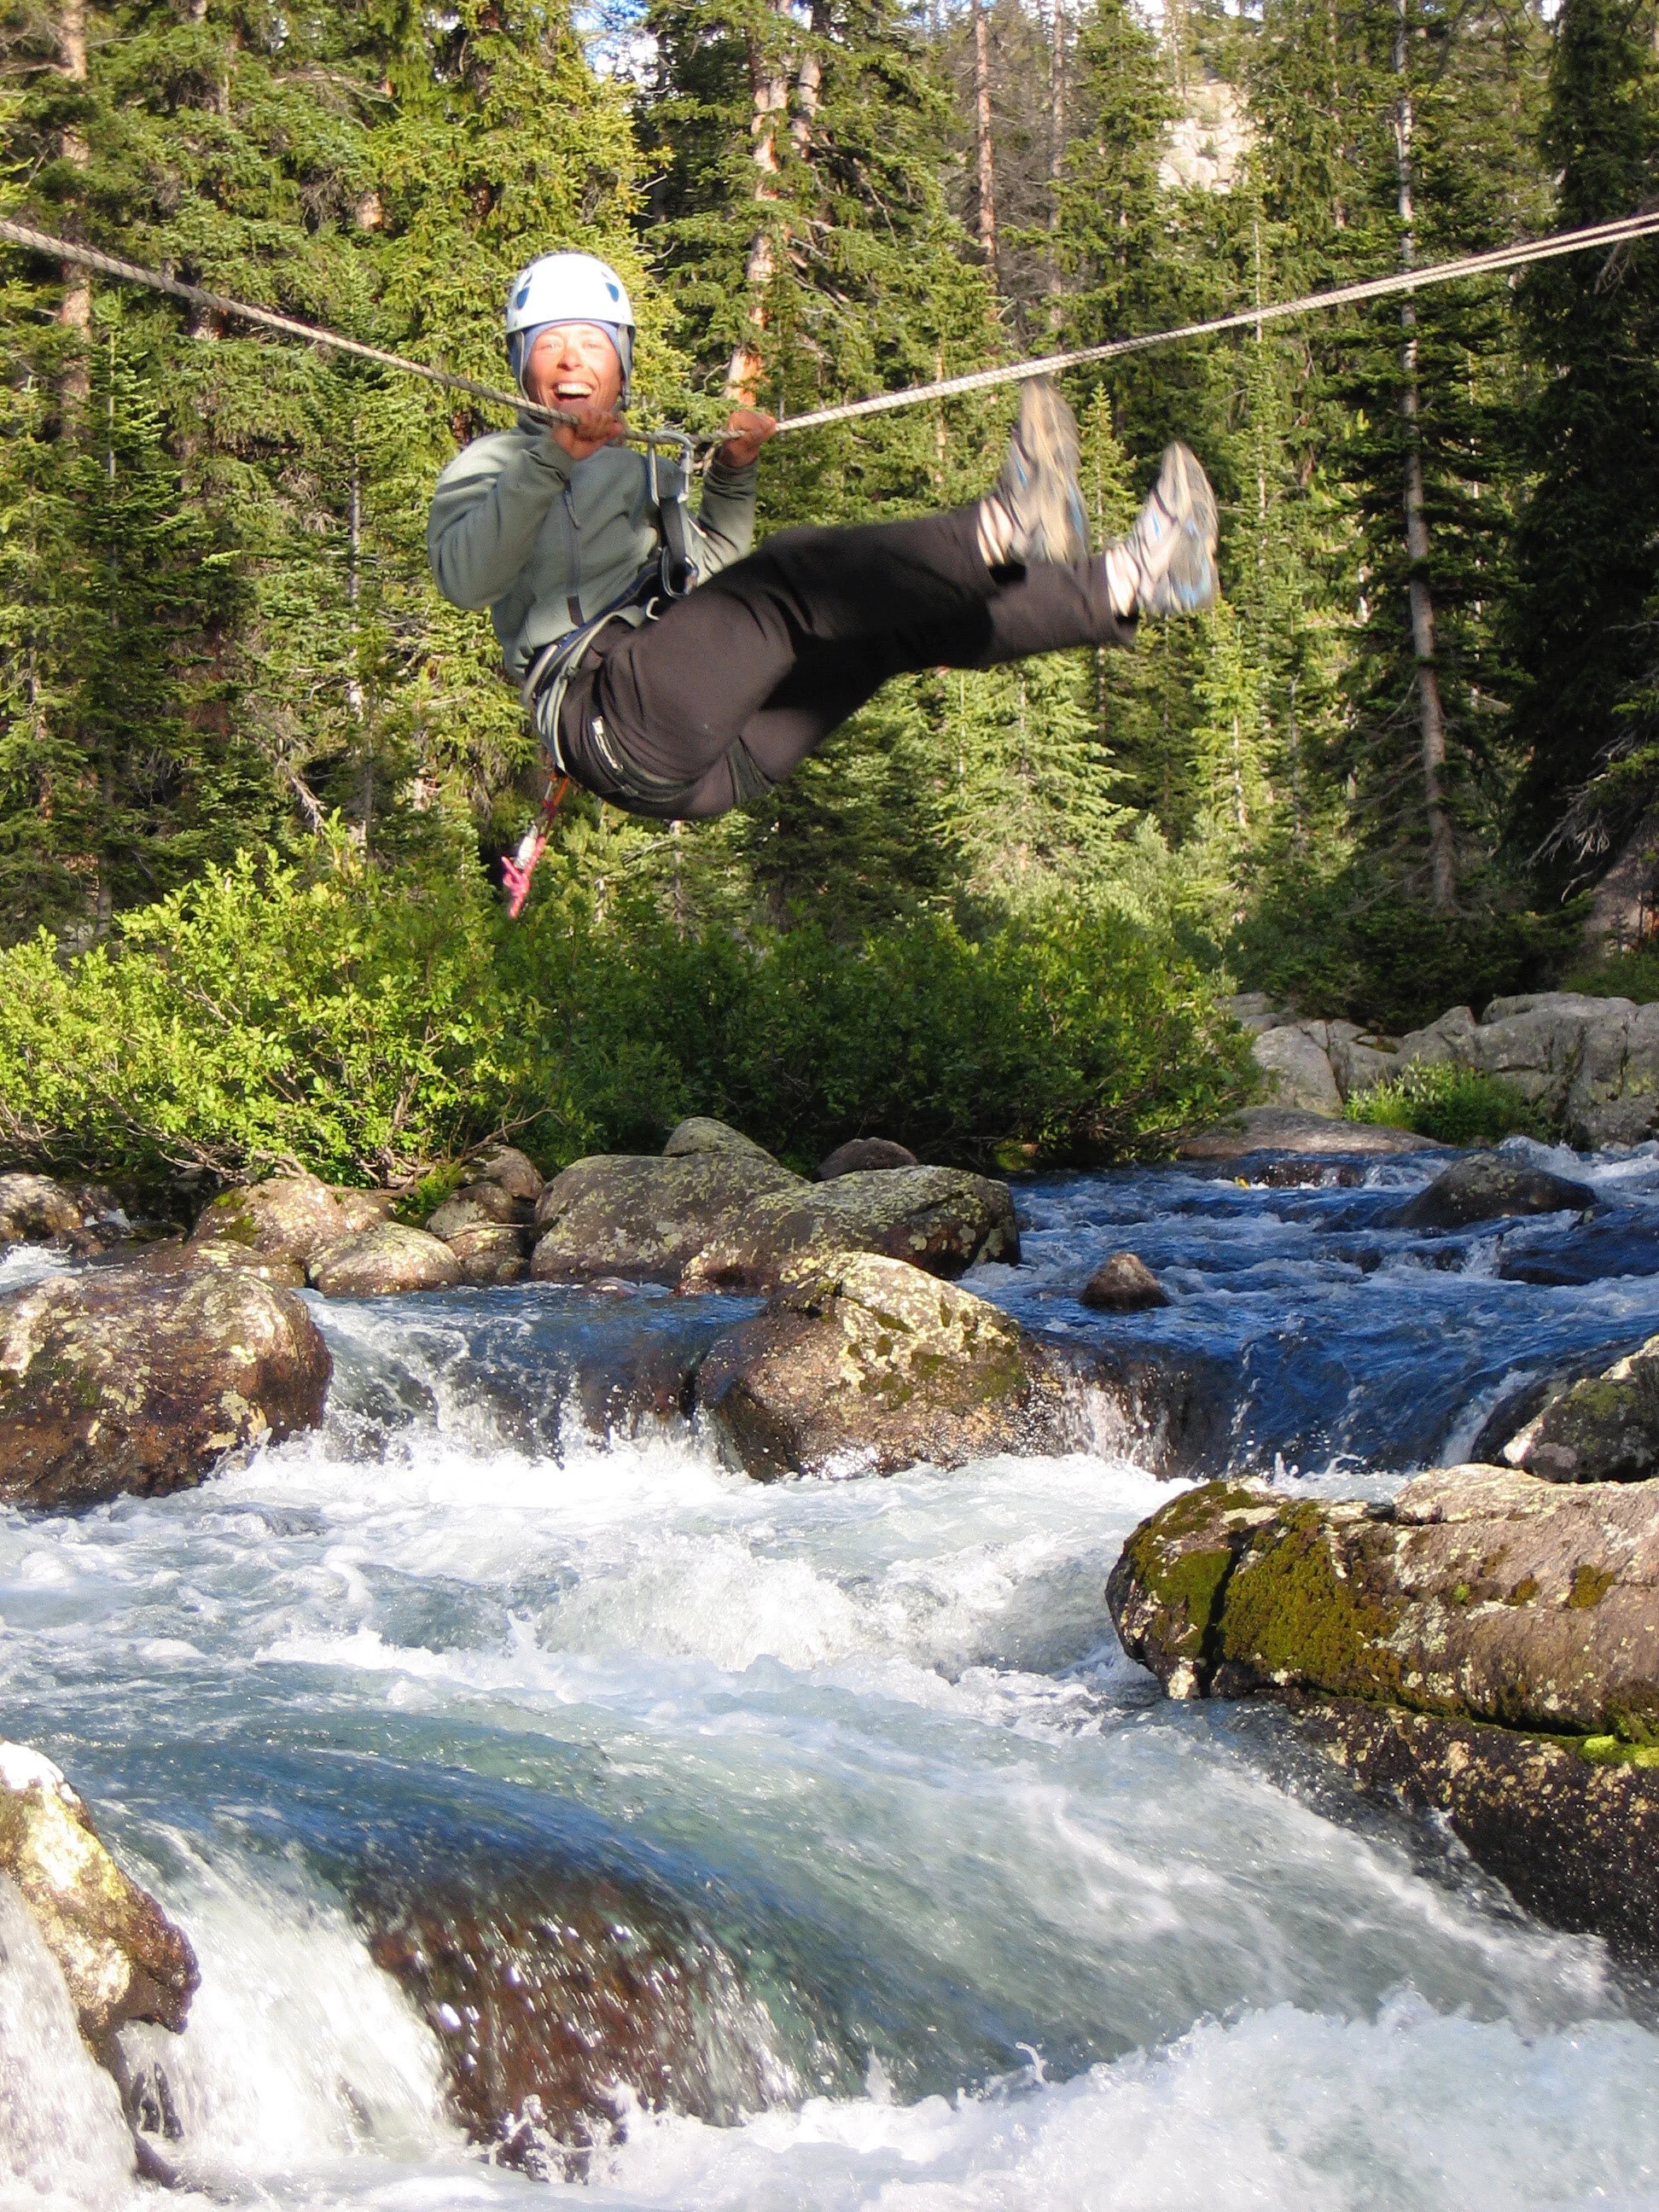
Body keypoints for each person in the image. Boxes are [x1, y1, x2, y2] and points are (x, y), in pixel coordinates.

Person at [428, 249, 1220, 830]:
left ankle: (1135, 579)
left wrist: (732, 475)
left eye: (591, 341)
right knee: (793, 577)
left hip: (728, 749)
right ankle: (1010, 523)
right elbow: (466, 579)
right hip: (606, 714)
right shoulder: (490, 464)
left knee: (888, 625)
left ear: (620, 363)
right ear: (522, 365)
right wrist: (549, 462)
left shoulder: (643, 466)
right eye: (550, 343)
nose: (571, 359)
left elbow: (711, 575)